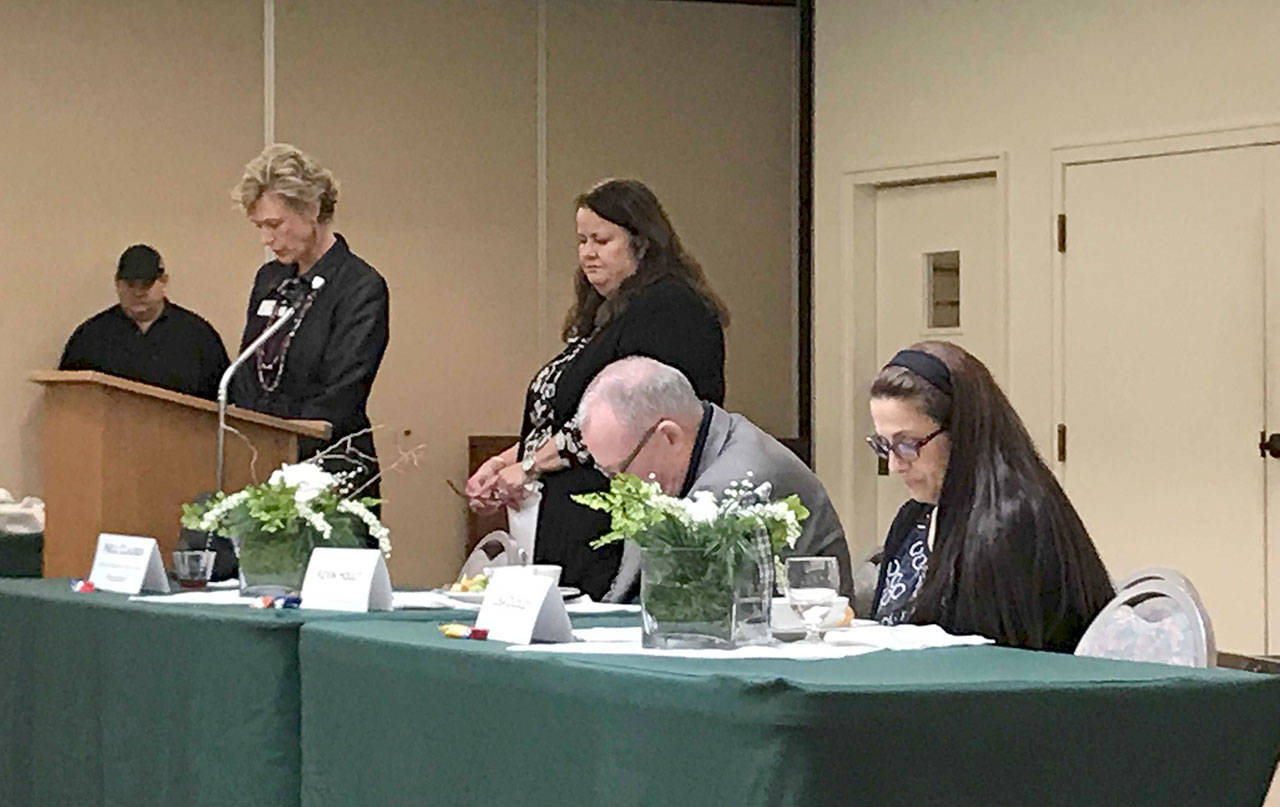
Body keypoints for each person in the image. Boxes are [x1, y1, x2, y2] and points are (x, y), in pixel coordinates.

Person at [465, 179, 727, 600]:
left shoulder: (671, 309)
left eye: (602, 240)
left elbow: (621, 428)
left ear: (641, 243)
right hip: (567, 520)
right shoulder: (606, 319)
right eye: (582, 240)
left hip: (613, 524)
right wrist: (502, 463)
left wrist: (529, 467)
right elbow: (562, 420)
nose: (588, 252)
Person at [867, 340, 1114, 652]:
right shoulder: (913, 519)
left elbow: (1000, 668)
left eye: (908, 444)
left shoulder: (1012, 522)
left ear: (960, 433)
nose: (894, 465)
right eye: (884, 445)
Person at [577, 357, 852, 602]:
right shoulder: (706, 447)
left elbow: (687, 613)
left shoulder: (740, 484)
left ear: (669, 436)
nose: (618, 486)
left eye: (620, 471)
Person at [229, 144, 389, 511]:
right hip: (262, 466)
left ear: (312, 210)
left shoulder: (359, 286)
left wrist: (281, 445)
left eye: (274, 225)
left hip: (330, 471)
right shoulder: (269, 279)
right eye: (259, 227)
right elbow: (249, 370)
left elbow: (344, 391)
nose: (266, 240)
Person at [59, 244, 229, 399]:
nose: (138, 293)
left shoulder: (199, 337)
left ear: (163, 281)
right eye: (131, 285)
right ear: (117, 284)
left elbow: (223, 404)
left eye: (146, 284)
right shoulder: (90, 337)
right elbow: (67, 399)